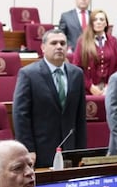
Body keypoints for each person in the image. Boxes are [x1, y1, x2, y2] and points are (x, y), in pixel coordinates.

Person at [12, 28, 87, 168]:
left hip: (70, 150)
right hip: (41, 150)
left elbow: (80, 116)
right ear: (43, 48)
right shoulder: (28, 74)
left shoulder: (77, 74)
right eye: (54, 43)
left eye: (63, 43)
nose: (59, 47)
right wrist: (28, 149)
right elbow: (20, 115)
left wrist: (80, 150)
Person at [71, 9, 117, 96]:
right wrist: (90, 86)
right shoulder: (82, 41)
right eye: (95, 20)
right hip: (87, 90)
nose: (98, 22)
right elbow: (76, 67)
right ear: (91, 23)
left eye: (101, 20)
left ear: (106, 23)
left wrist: (110, 86)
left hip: (109, 89)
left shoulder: (113, 41)